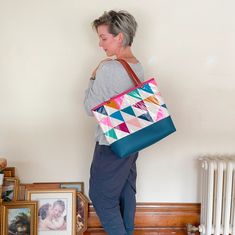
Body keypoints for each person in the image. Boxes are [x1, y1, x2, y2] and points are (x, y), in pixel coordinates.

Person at [84, 10, 145, 235]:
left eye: (103, 37)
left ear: (119, 37)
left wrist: (93, 76)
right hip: (133, 140)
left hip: (112, 142)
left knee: (101, 196)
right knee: (125, 193)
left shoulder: (110, 68)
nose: (100, 44)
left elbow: (89, 108)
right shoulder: (136, 65)